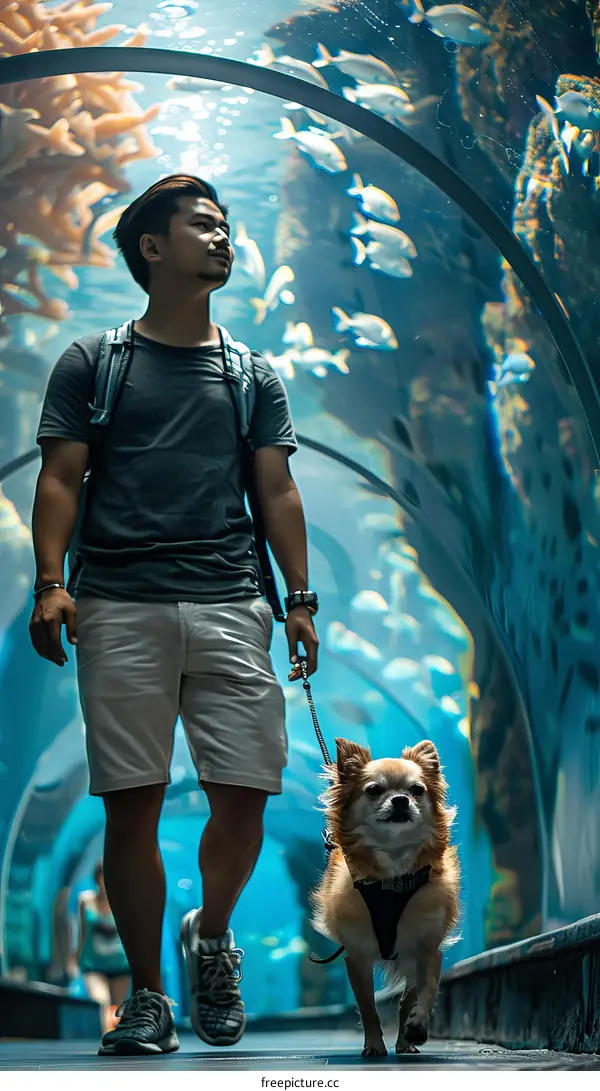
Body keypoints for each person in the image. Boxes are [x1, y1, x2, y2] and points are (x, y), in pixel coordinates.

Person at [28, 174, 320, 1056]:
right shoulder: (93, 362)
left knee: (247, 792)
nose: (222, 237)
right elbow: (60, 477)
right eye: (202, 225)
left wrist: (299, 598)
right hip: (118, 603)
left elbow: (277, 489)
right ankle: (149, 995)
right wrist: (50, 582)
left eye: (225, 226)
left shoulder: (251, 373)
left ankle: (213, 933)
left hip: (233, 600)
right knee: (131, 803)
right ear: (151, 248)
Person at [77, 860, 131, 1034]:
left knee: (120, 1010)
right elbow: (82, 932)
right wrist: (76, 957)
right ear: (97, 877)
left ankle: (120, 1040)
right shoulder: (85, 900)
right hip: (93, 964)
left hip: (120, 964)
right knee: (101, 1002)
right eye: (102, 875)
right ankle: (106, 1039)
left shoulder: (125, 900)